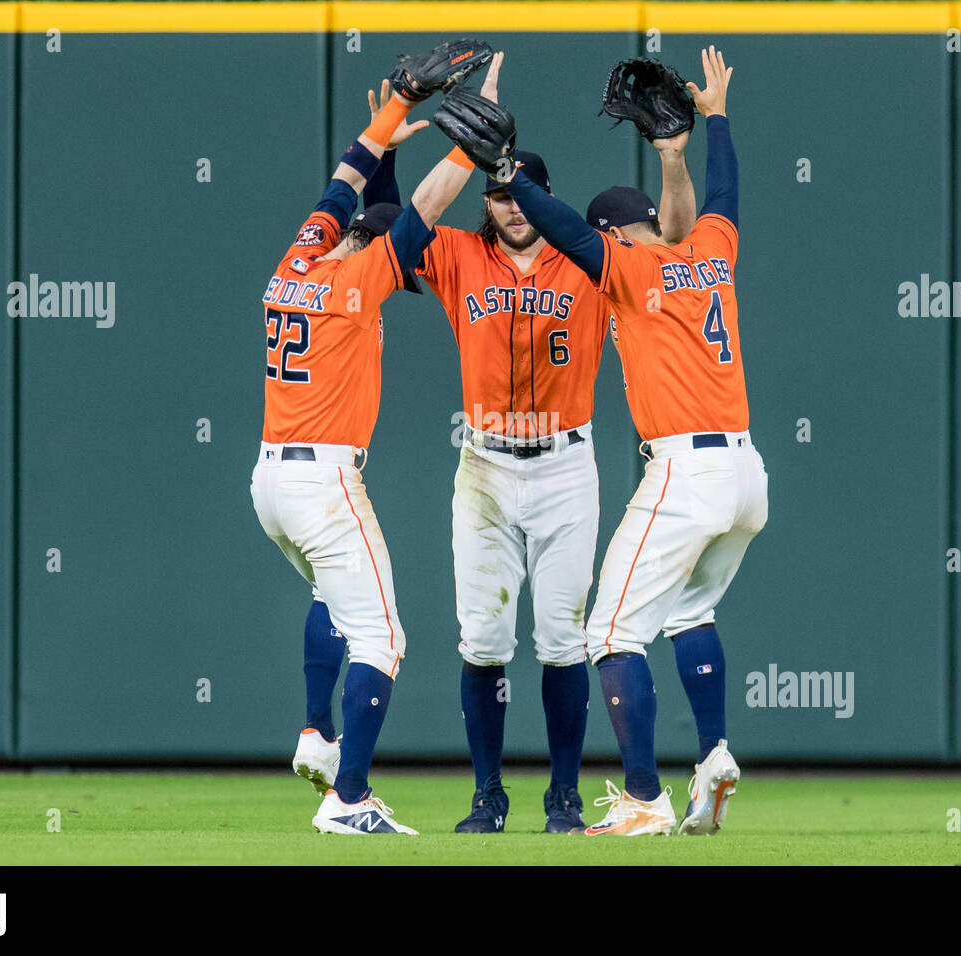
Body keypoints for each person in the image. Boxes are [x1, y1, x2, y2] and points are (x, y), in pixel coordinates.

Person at [447, 46, 767, 836]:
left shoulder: (625, 269)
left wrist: (507, 169)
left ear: (613, 236)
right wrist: (705, 126)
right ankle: (717, 751)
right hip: (748, 473)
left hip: (686, 470)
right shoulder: (712, 253)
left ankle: (645, 799)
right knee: (691, 613)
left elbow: (560, 227)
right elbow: (722, 194)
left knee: (609, 634)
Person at [251, 44, 491, 834]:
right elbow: (422, 211)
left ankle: (318, 735)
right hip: (321, 483)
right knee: (384, 639)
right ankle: (347, 800)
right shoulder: (360, 281)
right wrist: (468, 145)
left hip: (269, 485)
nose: (406, 278)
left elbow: (345, 182)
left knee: (333, 598)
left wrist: (388, 116)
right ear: (381, 255)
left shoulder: (299, 260)